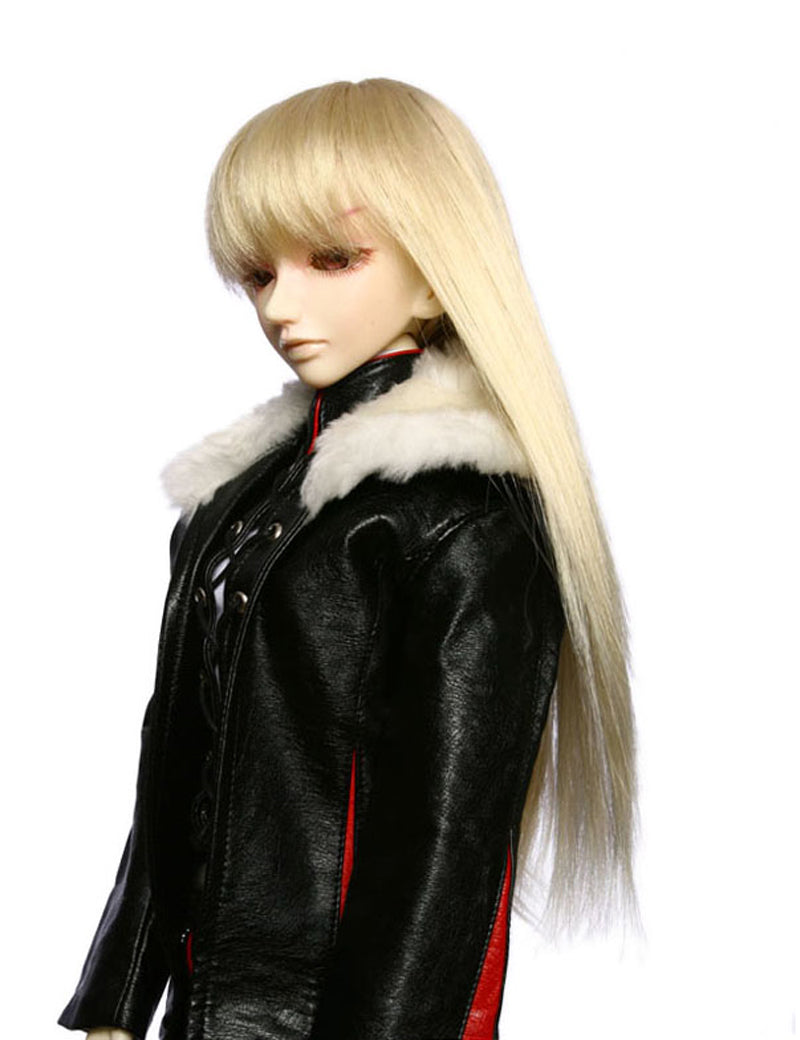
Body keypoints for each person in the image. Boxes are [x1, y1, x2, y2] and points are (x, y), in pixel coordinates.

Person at [58, 78, 637, 1040]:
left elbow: (442, 857)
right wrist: (116, 1002)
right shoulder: (237, 503)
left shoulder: (461, 518)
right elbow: (173, 770)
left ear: (438, 267)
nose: (282, 305)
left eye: (334, 259)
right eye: (257, 274)